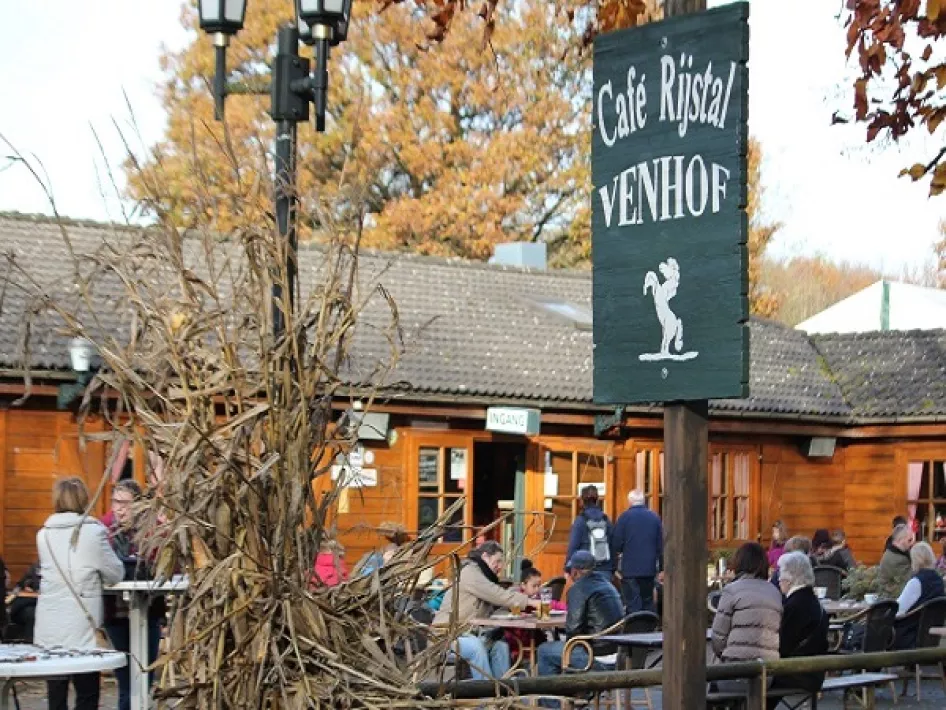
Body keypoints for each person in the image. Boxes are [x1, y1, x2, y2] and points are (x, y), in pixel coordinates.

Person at [35, 477, 124, 710]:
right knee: (87, 692)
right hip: (83, 623)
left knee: (56, 693)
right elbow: (115, 573)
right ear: (85, 498)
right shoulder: (94, 532)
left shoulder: (43, 535)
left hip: (49, 623)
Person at [102, 479, 167, 710]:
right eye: (115, 502)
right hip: (116, 613)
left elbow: (168, 565)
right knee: (126, 677)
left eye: (125, 503)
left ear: (138, 505)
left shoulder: (154, 529)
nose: (119, 509)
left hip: (149, 611)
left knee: (145, 672)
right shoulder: (104, 529)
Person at [433, 541, 532, 680]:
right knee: (476, 647)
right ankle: (486, 697)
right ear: (485, 556)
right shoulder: (470, 572)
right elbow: (498, 595)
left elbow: (496, 605)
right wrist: (529, 601)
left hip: (469, 634)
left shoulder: (485, 577)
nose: (500, 566)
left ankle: (504, 693)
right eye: (497, 561)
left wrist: (515, 610)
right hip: (445, 637)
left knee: (500, 647)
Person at [537, 551, 624, 707]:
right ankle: (575, 697)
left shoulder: (578, 589)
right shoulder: (608, 585)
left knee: (544, 651)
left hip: (595, 658)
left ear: (575, 572)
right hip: (618, 656)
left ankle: (553, 705)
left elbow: (573, 630)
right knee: (560, 649)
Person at [711, 542, 782, 692]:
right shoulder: (775, 592)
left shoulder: (731, 590)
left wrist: (725, 654)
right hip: (767, 673)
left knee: (710, 685)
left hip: (735, 670)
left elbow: (718, 637)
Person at [769, 552, 829, 705]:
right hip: (814, 673)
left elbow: (783, 646)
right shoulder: (813, 601)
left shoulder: (795, 605)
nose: (779, 579)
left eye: (780, 573)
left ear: (790, 577)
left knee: (750, 681)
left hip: (796, 674)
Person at [610, 489, 663, 614]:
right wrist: (662, 568)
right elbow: (661, 546)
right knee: (648, 603)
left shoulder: (624, 518)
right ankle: (648, 630)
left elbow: (616, 545)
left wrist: (613, 567)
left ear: (630, 502)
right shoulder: (655, 518)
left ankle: (636, 630)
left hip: (630, 570)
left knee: (633, 605)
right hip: (649, 569)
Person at [502, 567, 566, 666]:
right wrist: (524, 609)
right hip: (518, 642)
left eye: (539, 586)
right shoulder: (516, 597)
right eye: (534, 586)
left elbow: (555, 604)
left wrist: (567, 608)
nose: (537, 589)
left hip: (536, 639)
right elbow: (515, 612)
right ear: (523, 585)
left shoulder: (540, 598)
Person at [893, 541, 945, 649]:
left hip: (909, 635)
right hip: (931, 636)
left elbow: (898, 610)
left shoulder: (916, 582)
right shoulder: (939, 581)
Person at [565, 485, 613, 575]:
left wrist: (567, 567)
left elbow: (573, 546)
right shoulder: (606, 519)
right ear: (597, 500)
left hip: (585, 569)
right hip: (605, 568)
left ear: (581, 501)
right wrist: (612, 567)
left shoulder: (580, 520)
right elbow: (613, 544)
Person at [6, 562, 41, 642]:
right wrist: (27, 585)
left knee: (31, 612)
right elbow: (21, 585)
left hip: (42, 603)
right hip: (29, 600)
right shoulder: (36, 566)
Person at [878, 523, 914, 593]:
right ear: (900, 540)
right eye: (909, 540)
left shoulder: (895, 552)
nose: (911, 543)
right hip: (893, 597)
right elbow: (911, 580)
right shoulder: (898, 559)